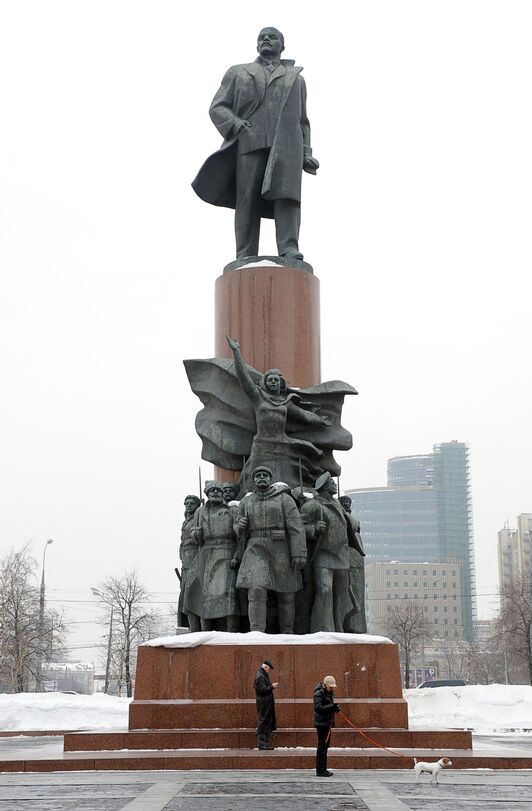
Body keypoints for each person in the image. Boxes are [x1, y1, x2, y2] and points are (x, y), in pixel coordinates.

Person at [192, 27, 319, 261]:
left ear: (283, 46)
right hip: (250, 141)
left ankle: (289, 248)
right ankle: (245, 254)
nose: (266, 40)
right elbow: (217, 107)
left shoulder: (297, 80)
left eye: (272, 37)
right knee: (247, 198)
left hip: (287, 145)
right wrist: (235, 124)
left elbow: (303, 120)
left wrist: (306, 152)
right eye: (262, 37)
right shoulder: (239, 73)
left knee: (287, 198)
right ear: (256, 45)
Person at [226, 335, 329, 487]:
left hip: (283, 444)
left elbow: (304, 416)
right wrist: (236, 352)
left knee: (287, 480)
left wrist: (320, 420)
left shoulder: (286, 403)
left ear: (280, 384)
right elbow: (244, 378)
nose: (273, 382)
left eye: (276, 380)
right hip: (262, 445)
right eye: (270, 380)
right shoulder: (258, 397)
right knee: (251, 480)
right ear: (265, 383)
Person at [230, 465, 306, 633]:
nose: (262, 478)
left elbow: (296, 527)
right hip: (255, 547)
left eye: (265, 475)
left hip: (280, 548)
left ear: (270, 479)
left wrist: (298, 553)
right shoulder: (246, 501)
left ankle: (287, 631)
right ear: (254, 480)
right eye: (258, 475)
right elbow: (238, 528)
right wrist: (238, 526)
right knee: (256, 589)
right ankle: (257, 631)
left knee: (287, 593)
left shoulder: (284, 500)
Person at [184, 481, 242, 631]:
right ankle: (204, 631)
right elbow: (195, 535)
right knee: (199, 592)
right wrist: (196, 534)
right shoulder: (200, 511)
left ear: (223, 494)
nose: (215, 493)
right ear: (207, 494)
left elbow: (239, 535)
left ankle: (231, 631)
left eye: (218, 490)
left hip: (226, 551)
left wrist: (236, 554)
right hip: (206, 554)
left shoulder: (232, 510)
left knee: (228, 592)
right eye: (212, 491)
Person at [301, 473, 351, 632]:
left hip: (341, 556)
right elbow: (298, 527)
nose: (334, 485)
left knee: (341, 595)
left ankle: (338, 629)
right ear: (323, 486)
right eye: (331, 482)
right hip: (323, 555)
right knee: (325, 590)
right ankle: (322, 629)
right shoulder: (313, 505)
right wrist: (314, 528)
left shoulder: (337, 504)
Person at [339, 495, 367, 633]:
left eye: (349, 504)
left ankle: (355, 626)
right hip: (345, 565)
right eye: (344, 504)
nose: (347, 506)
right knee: (347, 600)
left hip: (356, 567)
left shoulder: (355, 523)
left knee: (357, 600)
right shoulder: (342, 521)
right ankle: (345, 624)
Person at [177, 494, 202, 631]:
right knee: (185, 594)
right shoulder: (185, 521)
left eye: (192, 503)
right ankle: (188, 626)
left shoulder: (198, 518)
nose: (189, 505)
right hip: (185, 560)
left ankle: (195, 628)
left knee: (191, 593)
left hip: (194, 557)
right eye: (186, 503)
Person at [314, 675, 340, 776]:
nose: (333, 688)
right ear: (325, 685)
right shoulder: (319, 693)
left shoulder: (327, 693)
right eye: (331, 686)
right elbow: (318, 708)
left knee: (324, 746)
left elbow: (327, 707)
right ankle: (321, 770)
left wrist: (334, 708)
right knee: (322, 746)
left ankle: (322, 769)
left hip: (326, 723)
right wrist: (332, 707)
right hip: (322, 724)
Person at [254, 659, 278, 749]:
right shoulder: (260, 676)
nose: (269, 670)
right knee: (263, 722)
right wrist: (272, 686)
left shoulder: (262, 674)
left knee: (265, 722)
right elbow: (262, 690)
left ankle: (264, 744)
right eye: (269, 669)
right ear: (265, 667)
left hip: (265, 703)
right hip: (263, 703)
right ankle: (261, 744)